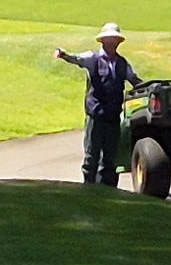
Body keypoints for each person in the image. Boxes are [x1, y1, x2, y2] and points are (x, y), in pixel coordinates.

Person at [57, 22, 137, 187]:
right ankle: (89, 188)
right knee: (91, 155)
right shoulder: (91, 58)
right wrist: (64, 55)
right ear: (102, 41)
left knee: (110, 157)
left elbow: (134, 80)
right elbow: (76, 59)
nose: (111, 43)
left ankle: (108, 190)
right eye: (109, 40)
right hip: (96, 115)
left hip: (113, 116)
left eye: (114, 40)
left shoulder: (122, 63)